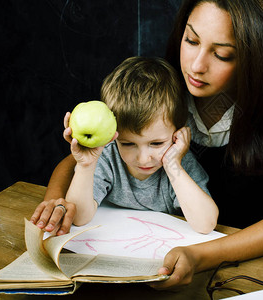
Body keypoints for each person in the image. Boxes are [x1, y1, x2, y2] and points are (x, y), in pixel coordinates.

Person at [31, 0, 263, 288]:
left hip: (248, 265)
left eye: (222, 55)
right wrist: (57, 201)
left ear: (259, 59)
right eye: (191, 40)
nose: (197, 66)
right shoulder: (166, 93)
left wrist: (200, 256)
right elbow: (83, 159)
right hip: (158, 257)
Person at [47, 56, 218, 234]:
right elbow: (79, 217)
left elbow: (206, 224)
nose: (143, 158)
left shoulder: (179, 162)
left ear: (179, 132)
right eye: (128, 144)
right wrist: (85, 166)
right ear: (112, 134)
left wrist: (173, 165)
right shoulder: (108, 155)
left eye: (157, 143)